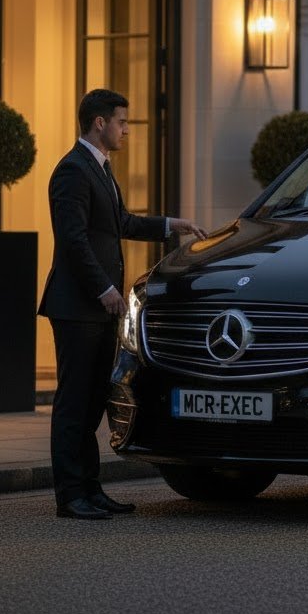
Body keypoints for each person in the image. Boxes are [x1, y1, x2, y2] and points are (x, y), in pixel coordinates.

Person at [38, 89, 206, 520]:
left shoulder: (100, 169)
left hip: (98, 307)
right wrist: (104, 290)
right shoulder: (72, 172)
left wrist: (172, 225)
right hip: (77, 306)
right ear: (100, 123)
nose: (127, 130)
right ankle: (70, 495)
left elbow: (122, 223)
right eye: (122, 121)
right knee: (74, 402)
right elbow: (73, 241)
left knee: (94, 399)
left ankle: (90, 489)